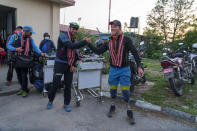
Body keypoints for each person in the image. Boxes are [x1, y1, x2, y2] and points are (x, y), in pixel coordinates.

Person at [86, 20, 144, 125]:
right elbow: (98, 51)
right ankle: (113, 106)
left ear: (120, 28)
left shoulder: (126, 39)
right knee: (112, 91)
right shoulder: (109, 41)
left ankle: (129, 111)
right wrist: (89, 44)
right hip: (113, 70)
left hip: (124, 69)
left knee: (126, 92)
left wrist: (139, 66)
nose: (112, 28)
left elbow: (135, 52)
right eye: (111, 26)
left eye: (115, 26)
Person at [47, 22, 89, 112]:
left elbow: (76, 53)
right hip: (60, 63)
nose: (74, 30)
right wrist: (84, 42)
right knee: (56, 84)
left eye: (76, 29)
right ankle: (50, 100)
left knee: (68, 85)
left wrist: (74, 64)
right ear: (69, 28)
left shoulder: (75, 39)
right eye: (73, 28)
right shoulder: (63, 36)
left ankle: (66, 104)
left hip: (69, 64)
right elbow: (70, 46)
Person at [7, 25, 45, 97]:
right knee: (19, 75)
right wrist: (16, 49)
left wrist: (41, 53)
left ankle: (25, 90)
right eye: (30, 33)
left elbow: (35, 47)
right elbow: (8, 46)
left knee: (24, 75)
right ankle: (22, 88)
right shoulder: (15, 37)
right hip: (16, 59)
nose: (31, 34)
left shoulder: (30, 39)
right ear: (25, 31)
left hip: (25, 60)